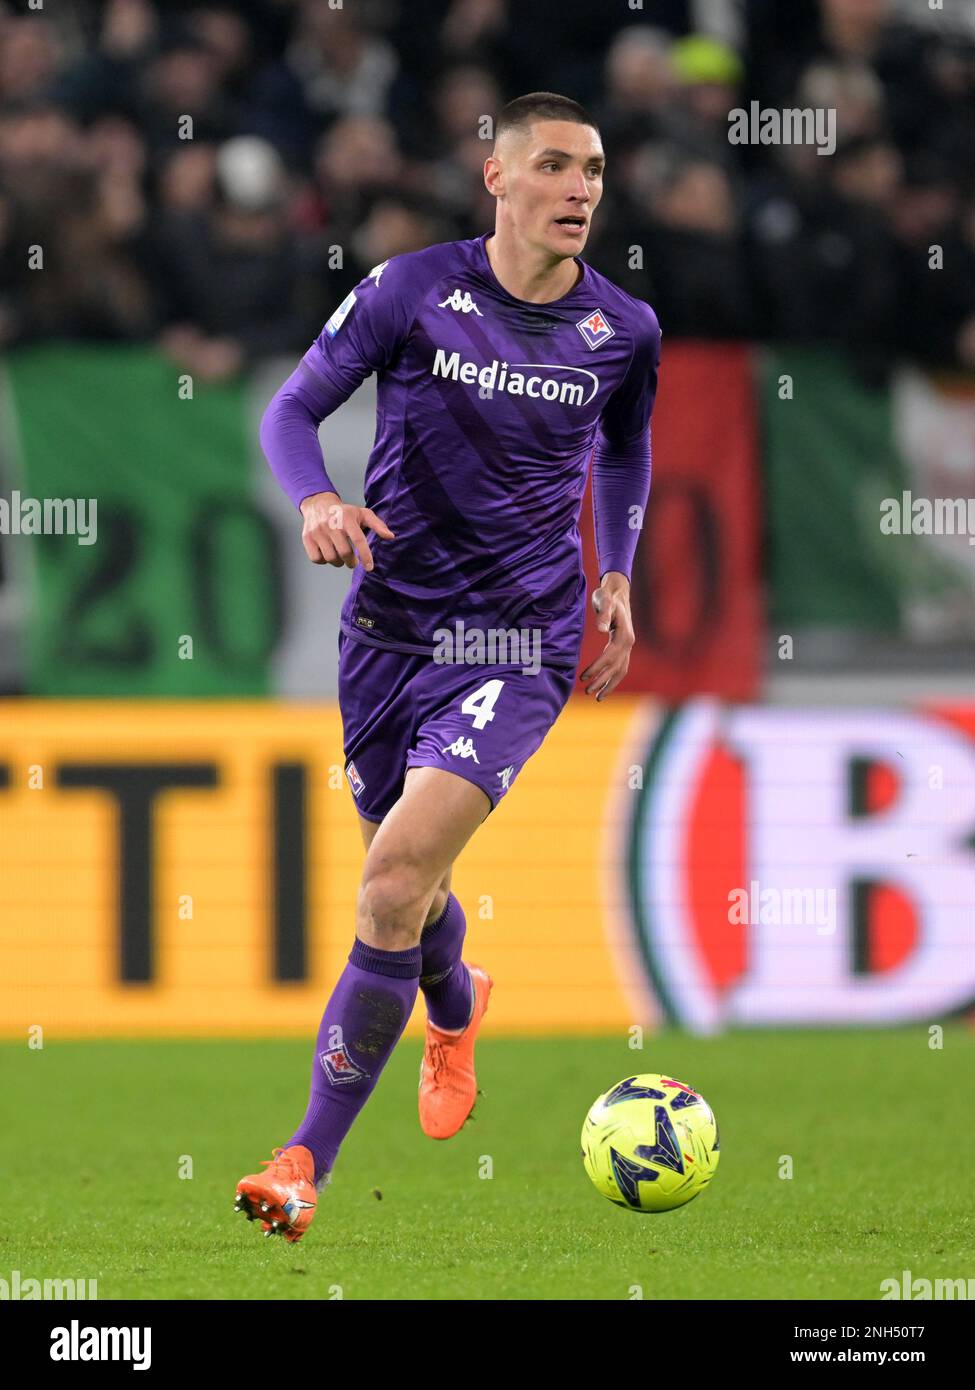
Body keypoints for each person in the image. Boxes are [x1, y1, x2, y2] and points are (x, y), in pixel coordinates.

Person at [235, 91, 661, 1242]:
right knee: (403, 880)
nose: (581, 190)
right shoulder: (412, 291)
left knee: (389, 878)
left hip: (518, 641)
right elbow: (292, 409)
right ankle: (457, 1004)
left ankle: (301, 1162)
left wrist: (612, 574)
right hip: (388, 633)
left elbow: (627, 449)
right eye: (559, 167)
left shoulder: (622, 329)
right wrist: (318, 495)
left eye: (595, 173)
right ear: (500, 179)